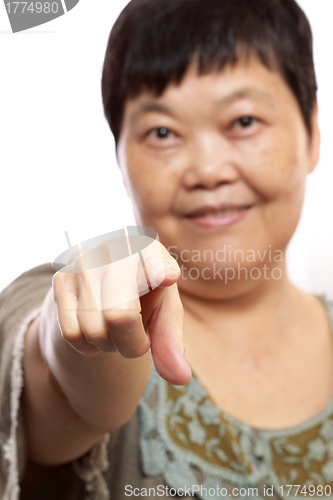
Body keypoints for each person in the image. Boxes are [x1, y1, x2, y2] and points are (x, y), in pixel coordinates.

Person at [1, 0, 333, 498]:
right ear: (120, 159)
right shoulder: (101, 308)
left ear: (311, 132)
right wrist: (81, 332)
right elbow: (58, 374)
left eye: (243, 121)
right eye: (162, 132)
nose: (207, 170)